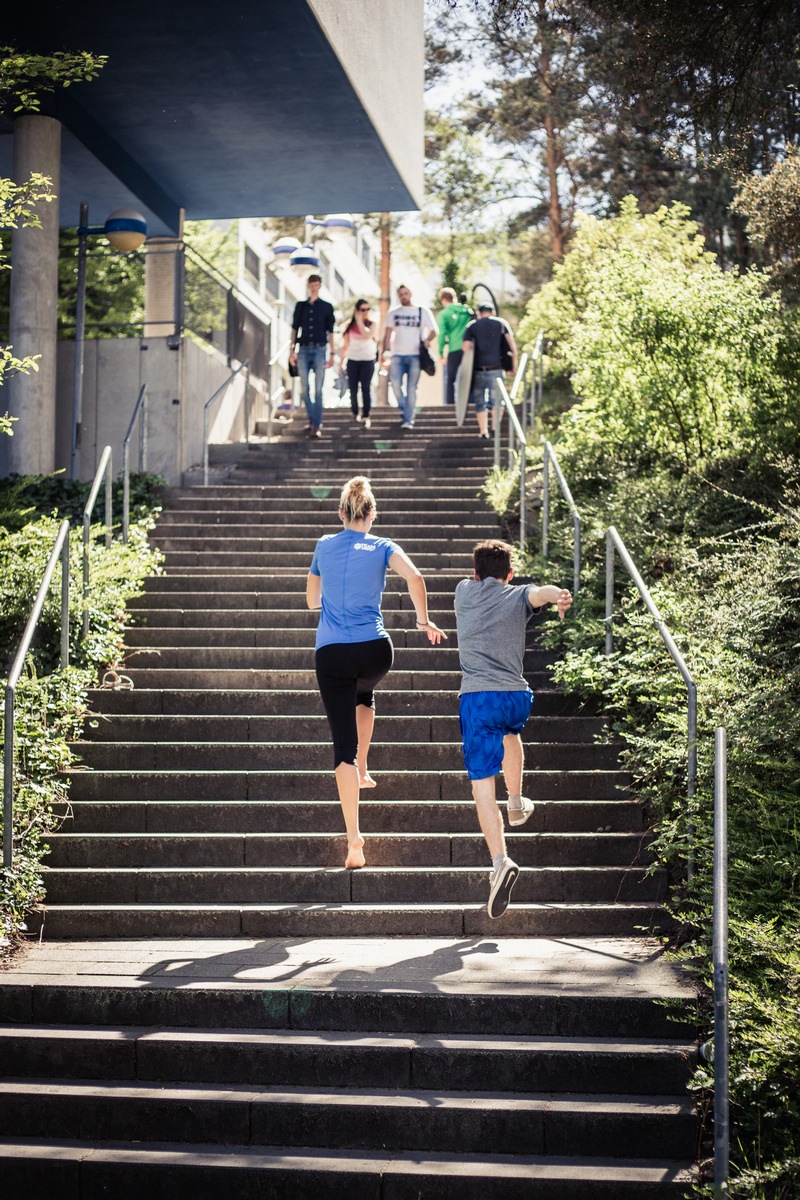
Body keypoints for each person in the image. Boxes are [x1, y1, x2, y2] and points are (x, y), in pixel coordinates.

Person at [306, 476, 446, 869]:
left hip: (332, 652)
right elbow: (415, 577)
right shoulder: (383, 545)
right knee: (363, 693)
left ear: (340, 513)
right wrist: (423, 622)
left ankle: (354, 841)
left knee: (341, 748)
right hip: (376, 651)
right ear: (372, 514)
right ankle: (365, 766)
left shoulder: (323, 545)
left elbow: (311, 601)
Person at [454, 539, 572, 919]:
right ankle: (518, 801)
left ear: (474, 573)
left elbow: (492, 582)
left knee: (481, 789)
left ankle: (500, 861)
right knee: (510, 733)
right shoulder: (518, 594)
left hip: (479, 698)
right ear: (510, 574)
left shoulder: (462, 592)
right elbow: (541, 593)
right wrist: (560, 597)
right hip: (516, 696)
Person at [380, 284, 437, 430]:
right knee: (395, 385)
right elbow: (387, 334)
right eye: (400, 294)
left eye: (405, 293)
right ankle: (404, 407)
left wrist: (426, 341)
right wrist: (384, 353)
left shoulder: (422, 311)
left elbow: (433, 331)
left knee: (412, 388)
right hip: (397, 355)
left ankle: (408, 419)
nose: (403, 296)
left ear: (410, 294)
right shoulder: (393, 312)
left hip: (415, 356)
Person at [461, 303, 517, 440]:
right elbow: (512, 346)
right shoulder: (501, 323)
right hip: (497, 369)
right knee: (497, 401)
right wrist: (512, 367)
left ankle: (483, 432)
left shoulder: (472, 326)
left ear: (479, 312)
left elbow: (466, 347)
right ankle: (495, 429)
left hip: (479, 370)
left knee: (480, 402)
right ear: (492, 312)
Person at [290, 274, 335, 438]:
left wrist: (332, 353)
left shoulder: (326, 307)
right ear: (308, 286)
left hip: (320, 350)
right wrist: (291, 351)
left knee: (318, 389)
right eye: (311, 284)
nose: (314, 287)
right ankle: (311, 421)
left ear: (320, 285)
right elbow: (295, 329)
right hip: (303, 350)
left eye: (316, 284)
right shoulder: (300, 306)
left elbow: (330, 332)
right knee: (305, 388)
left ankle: (317, 423)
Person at [340, 299, 377, 428]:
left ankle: (366, 414)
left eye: (368, 309)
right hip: (352, 360)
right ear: (357, 311)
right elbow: (345, 345)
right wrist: (340, 362)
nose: (365, 312)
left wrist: (360, 321)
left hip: (367, 360)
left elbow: (367, 335)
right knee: (353, 388)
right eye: (362, 310)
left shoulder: (372, 324)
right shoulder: (349, 326)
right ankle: (355, 412)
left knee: (366, 387)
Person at [437, 287, 473, 406]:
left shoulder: (444, 314)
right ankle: (471, 402)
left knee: (451, 378)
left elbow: (441, 334)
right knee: (470, 376)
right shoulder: (467, 310)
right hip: (469, 349)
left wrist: (441, 353)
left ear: (443, 300)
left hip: (454, 349)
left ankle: (450, 404)